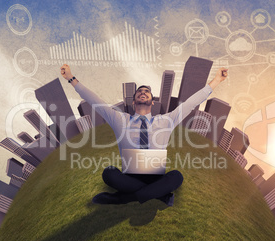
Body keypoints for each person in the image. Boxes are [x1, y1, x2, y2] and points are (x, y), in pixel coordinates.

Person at [60, 64, 228, 206]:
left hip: (156, 176)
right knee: (109, 173)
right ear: (133, 101)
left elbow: (191, 103)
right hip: (130, 175)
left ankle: (121, 198)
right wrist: (71, 79)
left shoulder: (166, 120)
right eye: (139, 92)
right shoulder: (119, 118)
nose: (143, 92)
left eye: (147, 91)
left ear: (152, 102)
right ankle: (161, 195)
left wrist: (216, 81)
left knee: (176, 176)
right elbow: (94, 101)